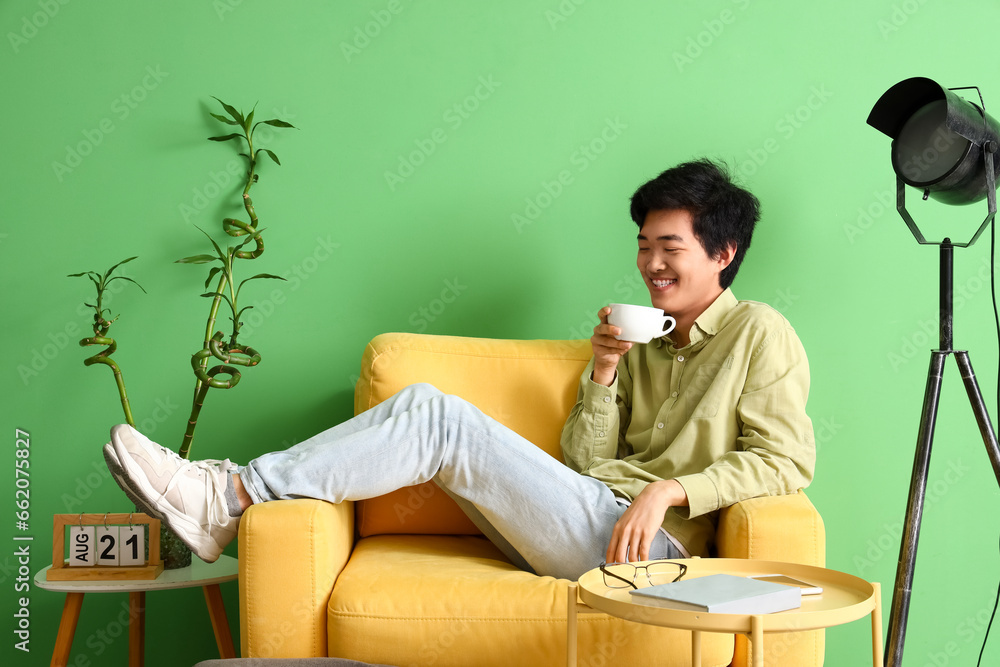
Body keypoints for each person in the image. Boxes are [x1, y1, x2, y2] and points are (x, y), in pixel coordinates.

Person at [103, 158, 815, 582]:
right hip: (583, 518)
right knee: (430, 420)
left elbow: (787, 460)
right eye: (642, 245)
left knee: (438, 415)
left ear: (723, 254)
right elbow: (583, 462)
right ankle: (227, 496)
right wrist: (602, 372)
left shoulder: (759, 331)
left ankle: (225, 494)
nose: (650, 263)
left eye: (670, 247)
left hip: (643, 545)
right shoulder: (643, 345)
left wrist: (669, 492)